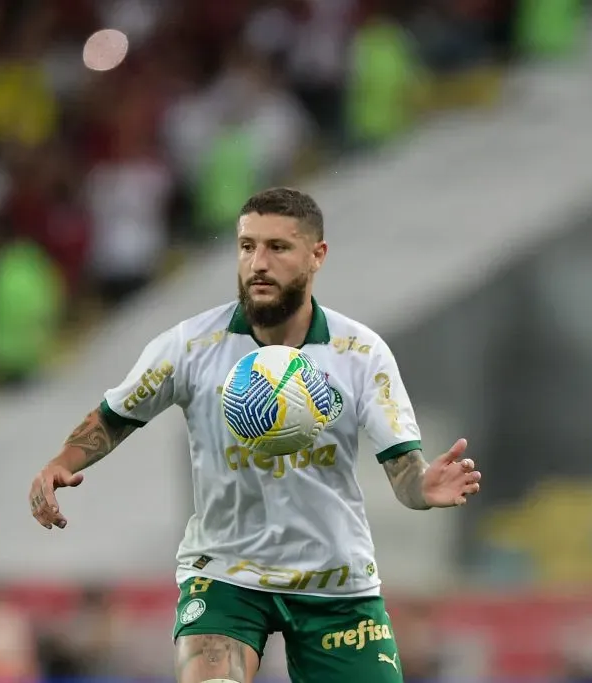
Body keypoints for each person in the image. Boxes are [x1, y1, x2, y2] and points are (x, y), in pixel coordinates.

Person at [28, 187, 483, 683]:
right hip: (224, 574)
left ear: (317, 255)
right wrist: (61, 464)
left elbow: (404, 470)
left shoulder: (360, 354)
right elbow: (113, 416)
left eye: (277, 248)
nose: (258, 263)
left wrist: (424, 489)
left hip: (334, 580)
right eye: (247, 247)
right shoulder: (190, 346)